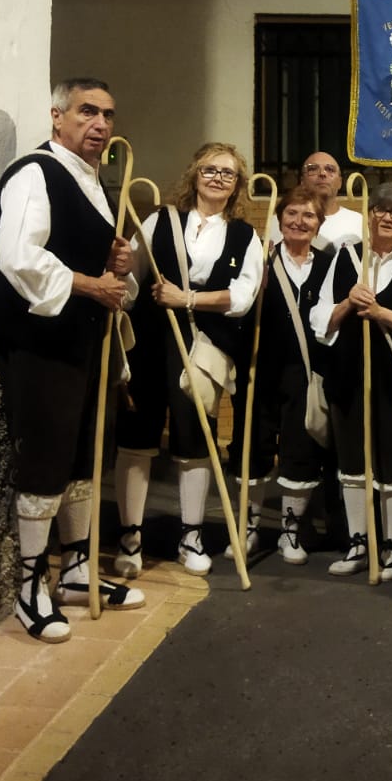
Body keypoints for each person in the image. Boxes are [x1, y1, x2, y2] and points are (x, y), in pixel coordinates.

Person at [0, 78, 144, 642]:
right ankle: (31, 586)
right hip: (42, 345)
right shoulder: (36, 171)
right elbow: (18, 254)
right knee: (48, 460)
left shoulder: (93, 182)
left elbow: (84, 256)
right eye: (87, 112)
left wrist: (115, 258)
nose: (100, 124)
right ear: (57, 117)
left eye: (108, 114)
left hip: (87, 341)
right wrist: (91, 284)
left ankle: (76, 572)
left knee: (84, 458)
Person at [113, 143, 264, 578]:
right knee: (137, 435)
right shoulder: (161, 220)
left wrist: (189, 298)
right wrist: (119, 269)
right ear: (195, 174)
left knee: (195, 437)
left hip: (204, 347)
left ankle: (191, 535)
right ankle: (130, 536)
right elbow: (132, 285)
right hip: (149, 343)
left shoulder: (244, 235)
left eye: (228, 174)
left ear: (237, 186)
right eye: (210, 170)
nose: (218, 178)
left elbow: (241, 296)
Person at [311, 182, 392, 581]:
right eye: (381, 209)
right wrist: (347, 303)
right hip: (347, 373)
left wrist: (380, 312)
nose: (387, 217)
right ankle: (360, 541)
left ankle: (391, 547)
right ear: (370, 214)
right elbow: (319, 316)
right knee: (352, 462)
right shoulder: (347, 257)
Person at [230, 186, 333, 565]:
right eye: (292, 213)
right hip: (259, 368)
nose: (299, 221)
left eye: (308, 215)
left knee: (299, 450)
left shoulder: (328, 264)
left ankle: (291, 531)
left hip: (304, 373)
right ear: (279, 218)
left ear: (319, 224)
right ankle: (249, 528)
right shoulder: (259, 261)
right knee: (251, 447)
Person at [298, 152, 363, 252]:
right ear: (302, 181)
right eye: (313, 169)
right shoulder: (285, 222)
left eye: (330, 169)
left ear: (340, 182)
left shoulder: (359, 222)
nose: (322, 174)